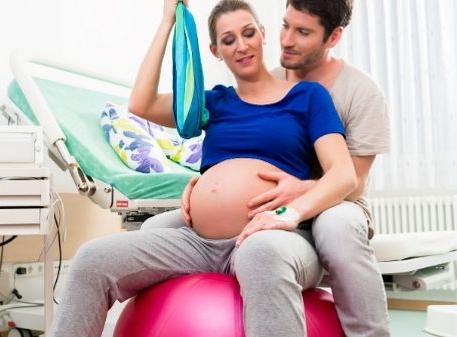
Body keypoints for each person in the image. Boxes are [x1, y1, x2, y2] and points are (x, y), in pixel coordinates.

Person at [47, 0, 357, 336]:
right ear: (214, 50)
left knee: (261, 253)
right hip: (200, 242)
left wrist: (290, 214)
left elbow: (343, 175)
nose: (241, 45)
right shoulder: (212, 102)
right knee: (92, 258)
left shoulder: (307, 97)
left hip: (278, 237)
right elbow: (141, 103)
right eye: (228, 40)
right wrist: (168, 22)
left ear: (263, 34)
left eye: (248, 33)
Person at [142, 0, 391, 336]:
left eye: (302, 32)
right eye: (285, 25)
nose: (286, 40)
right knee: (154, 229)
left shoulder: (360, 93)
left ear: (332, 37)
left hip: (336, 202)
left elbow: (354, 181)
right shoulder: (264, 83)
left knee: (336, 229)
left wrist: (297, 193)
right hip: (266, 206)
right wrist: (206, 184)